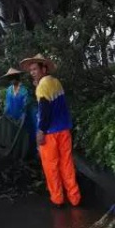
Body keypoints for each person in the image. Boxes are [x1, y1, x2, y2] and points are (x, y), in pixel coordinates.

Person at [20, 54, 81, 208]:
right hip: (64, 129)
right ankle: (74, 198)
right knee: (67, 164)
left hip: (50, 133)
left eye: (35, 69)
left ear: (44, 68)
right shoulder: (56, 82)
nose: (32, 72)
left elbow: (45, 110)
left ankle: (58, 199)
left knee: (51, 167)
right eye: (31, 70)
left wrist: (41, 131)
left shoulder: (42, 86)